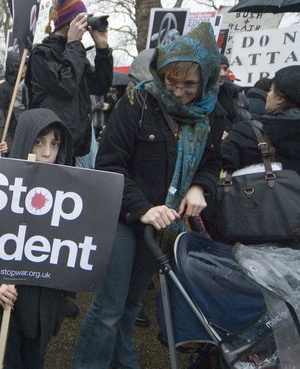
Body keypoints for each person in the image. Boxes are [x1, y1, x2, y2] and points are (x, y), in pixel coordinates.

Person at [74, 23, 224, 369]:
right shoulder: (137, 101)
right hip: (123, 218)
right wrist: (143, 209)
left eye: (189, 84)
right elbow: (110, 165)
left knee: (129, 306)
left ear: (207, 80)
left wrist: (200, 186)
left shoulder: (212, 112)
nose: (179, 91)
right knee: (109, 307)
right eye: (171, 81)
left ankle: (121, 361)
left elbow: (212, 162)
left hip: (163, 225)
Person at [0, 108, 72, 369]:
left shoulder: (69, 197)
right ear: (25, 140)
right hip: (5, 307)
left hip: (42, 308)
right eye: (38, 142)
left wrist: (63, 298)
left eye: (54, 143)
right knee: (5, 360)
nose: (47, 153)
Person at [26, 0, 113, 160]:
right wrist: (73, 45)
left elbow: (100, 86)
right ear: (70, 23)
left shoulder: (76, 53)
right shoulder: (41, 54)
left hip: (76, 145)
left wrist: (102, 50)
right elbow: (65, 86)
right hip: (50, 144)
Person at [222, 66, 300, 176]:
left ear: (280, 99)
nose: (267, 94)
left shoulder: (246, 133)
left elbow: (215, 166)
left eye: (271, 90)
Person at [217, 54, 250, 134]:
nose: (222, 74)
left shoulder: (234, 94)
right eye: (218, 69)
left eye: (225, 69)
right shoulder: (197, 94)